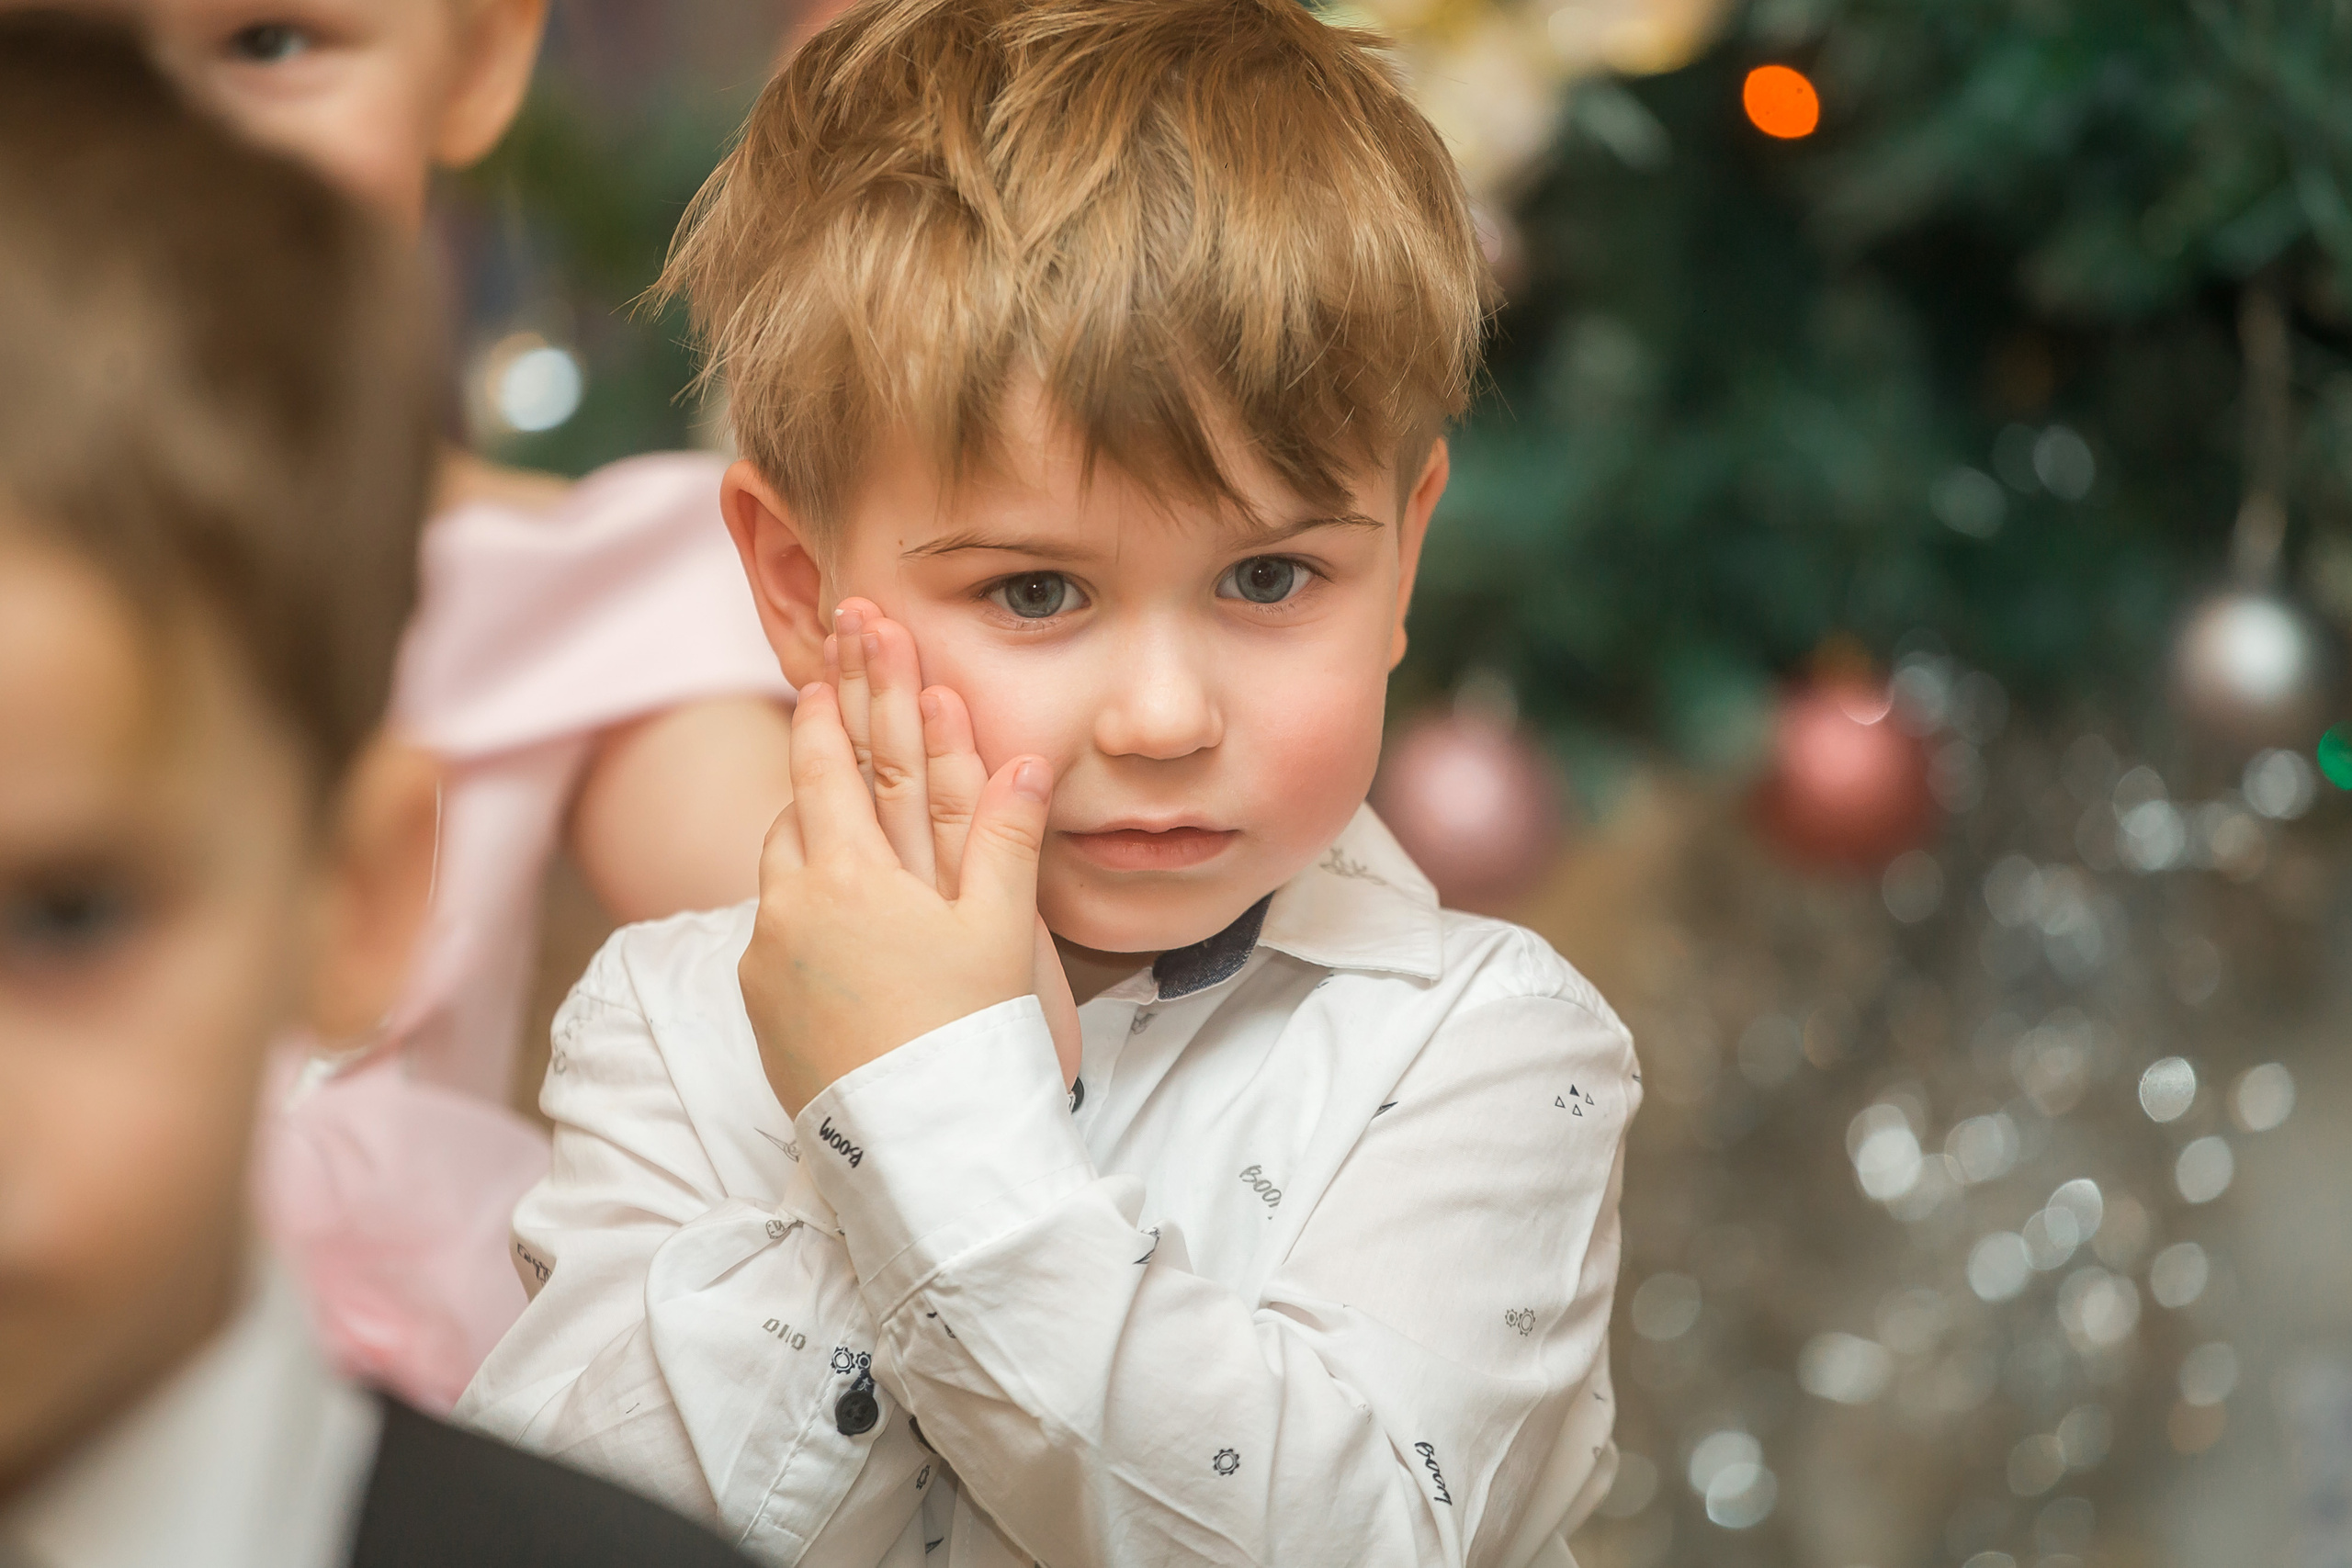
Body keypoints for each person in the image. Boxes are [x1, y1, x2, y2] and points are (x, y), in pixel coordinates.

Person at [460, 2, 1641, 1565]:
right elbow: (576, 1544)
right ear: (804, 590)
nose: (1160, 716)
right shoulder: (668, 1035)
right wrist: (865, 1094)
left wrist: (936, 1121)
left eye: (1272, 578)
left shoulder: (1489, 1049)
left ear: (1404, 548)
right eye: (1034, 593)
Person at [0, 15, 753, 1566]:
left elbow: (849, 951)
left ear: (351, 897)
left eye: (66, 920)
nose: (174, 137)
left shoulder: (587, 605)